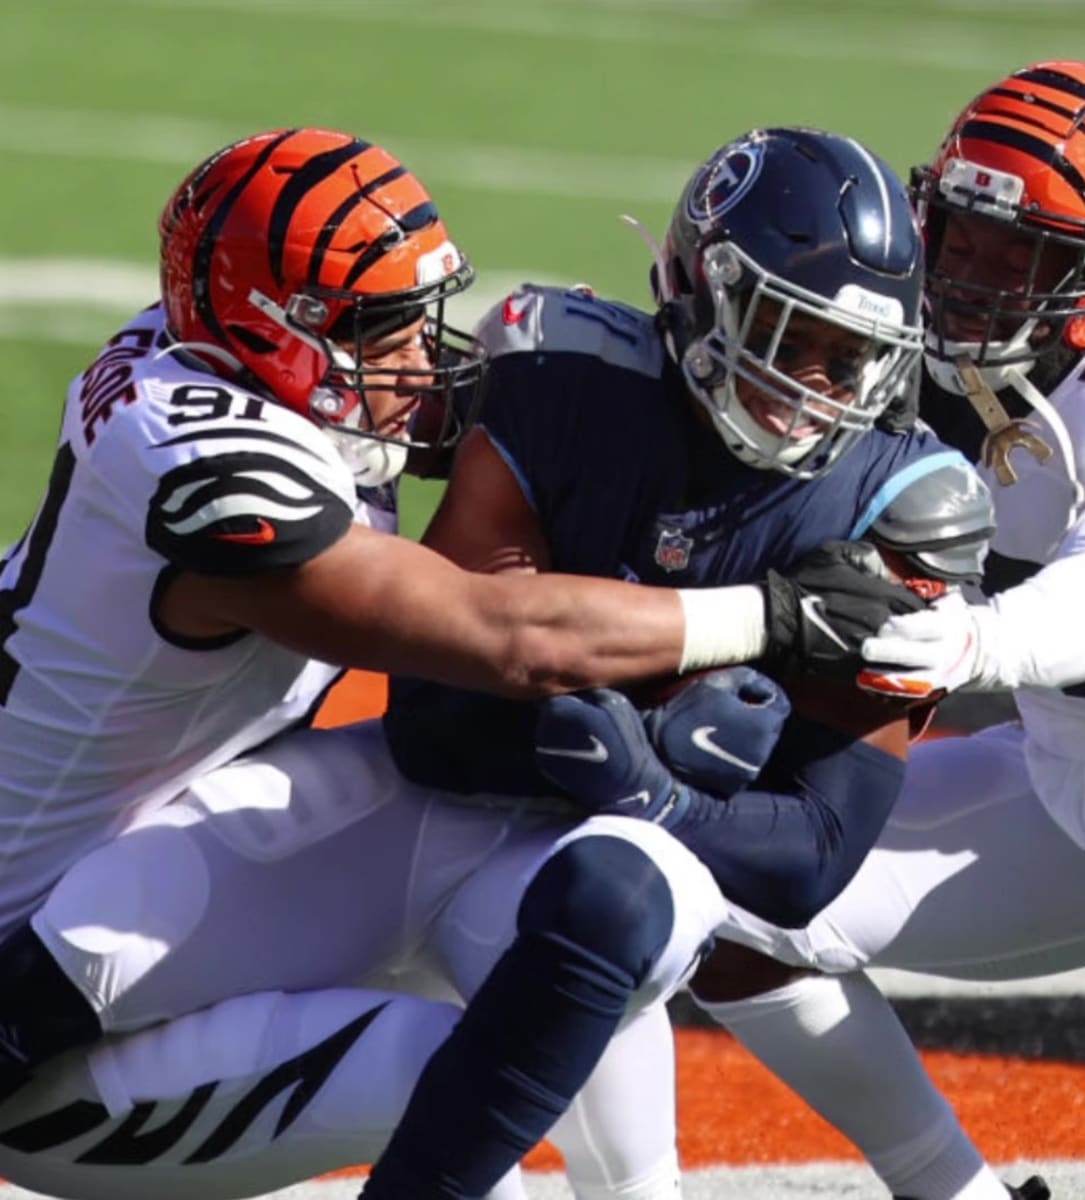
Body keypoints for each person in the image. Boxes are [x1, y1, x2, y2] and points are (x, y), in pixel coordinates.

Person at [0, 126, 934, 1199]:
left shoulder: (222, 358)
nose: (419, 359)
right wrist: (768, 614)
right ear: (274, 333)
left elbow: (519, 419)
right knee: (445, 1068)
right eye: (379, 330)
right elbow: (505, 636)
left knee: (577, 902)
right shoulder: (207, 464)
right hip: (40, 1022)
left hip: (128, 875)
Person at [360, 124, 994, 1200]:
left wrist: (649, 786)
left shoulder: (904, 501)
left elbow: (811, 859)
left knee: (610, 890)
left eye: (849, 358)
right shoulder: (565, 387)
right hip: (461, 820)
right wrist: (660, 729)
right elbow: (431, 712)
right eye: (787, 335)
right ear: (699, 290)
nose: (815, 386)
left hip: (644, 870)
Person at [681, 60, 1085, 1200]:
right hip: (1079, 787)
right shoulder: (915, 350)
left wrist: (977, 642)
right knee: (724, 904)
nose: (974, 280)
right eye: (962, 236)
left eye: (1024, 256)